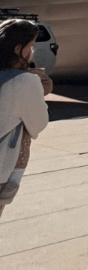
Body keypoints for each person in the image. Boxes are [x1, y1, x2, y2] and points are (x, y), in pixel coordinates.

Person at [0, 19, 52, 219]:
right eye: (31, 46)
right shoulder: (26, 81)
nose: (32, 51)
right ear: (19, 49)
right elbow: (38, 124)